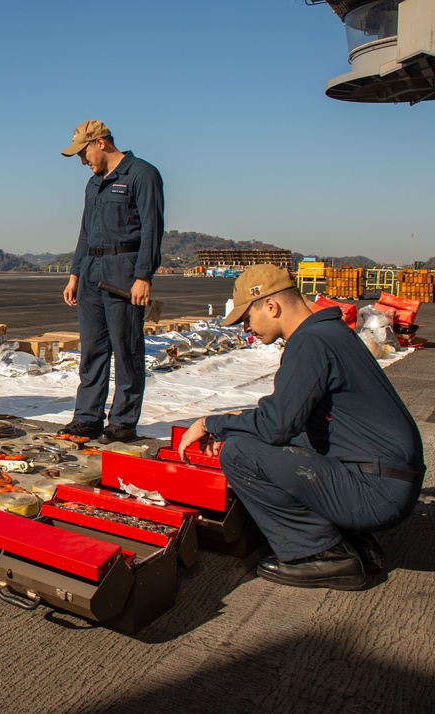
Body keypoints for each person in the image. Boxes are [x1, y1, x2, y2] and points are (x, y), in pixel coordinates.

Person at [177, 264, 425, 591]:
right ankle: (355, 542)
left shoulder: (310, 343)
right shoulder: (330, 332)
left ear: (271, 306)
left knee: (239, 454)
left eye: (247, 317)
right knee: (283, 435)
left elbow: (275, 427)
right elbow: (291, 416)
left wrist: (213, 422)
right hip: (388, 481)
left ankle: (321, 553)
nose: (248, 328)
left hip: (376, 492)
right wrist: (238, 420)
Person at [59, 119, 164, 444]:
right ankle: (87, 419)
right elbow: (85, 231)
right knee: (92, 349)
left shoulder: (142, 174)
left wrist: (143, 275)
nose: (82, 161)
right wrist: (75, 274)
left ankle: (122, 423)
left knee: (127, 348)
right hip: (91, 268)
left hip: (124, 266)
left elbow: (151, 228)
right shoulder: (93, 184)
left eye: (84, 153)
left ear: (101, 142)